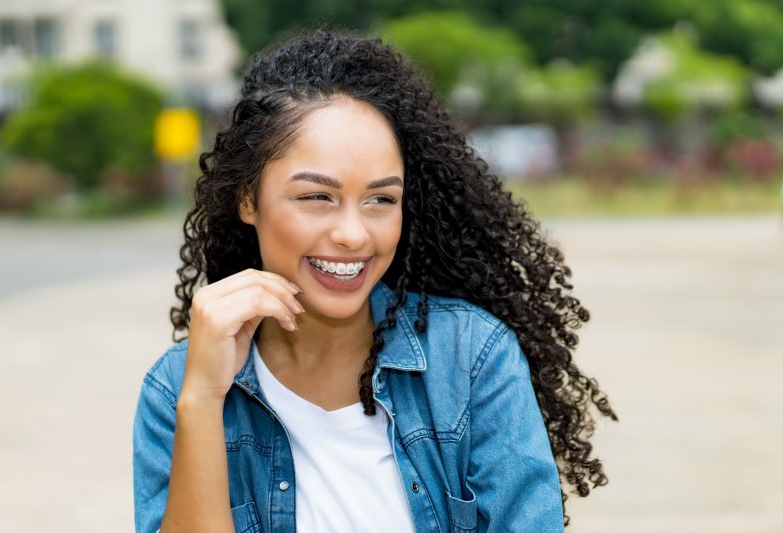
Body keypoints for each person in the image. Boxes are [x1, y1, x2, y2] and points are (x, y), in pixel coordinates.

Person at [133, 30, 617, 533]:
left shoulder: (472, 359)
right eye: (317, 197)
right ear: (247, 200)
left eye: (381, 200)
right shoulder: (176, 390)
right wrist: (202, 400)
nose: (352, 234)